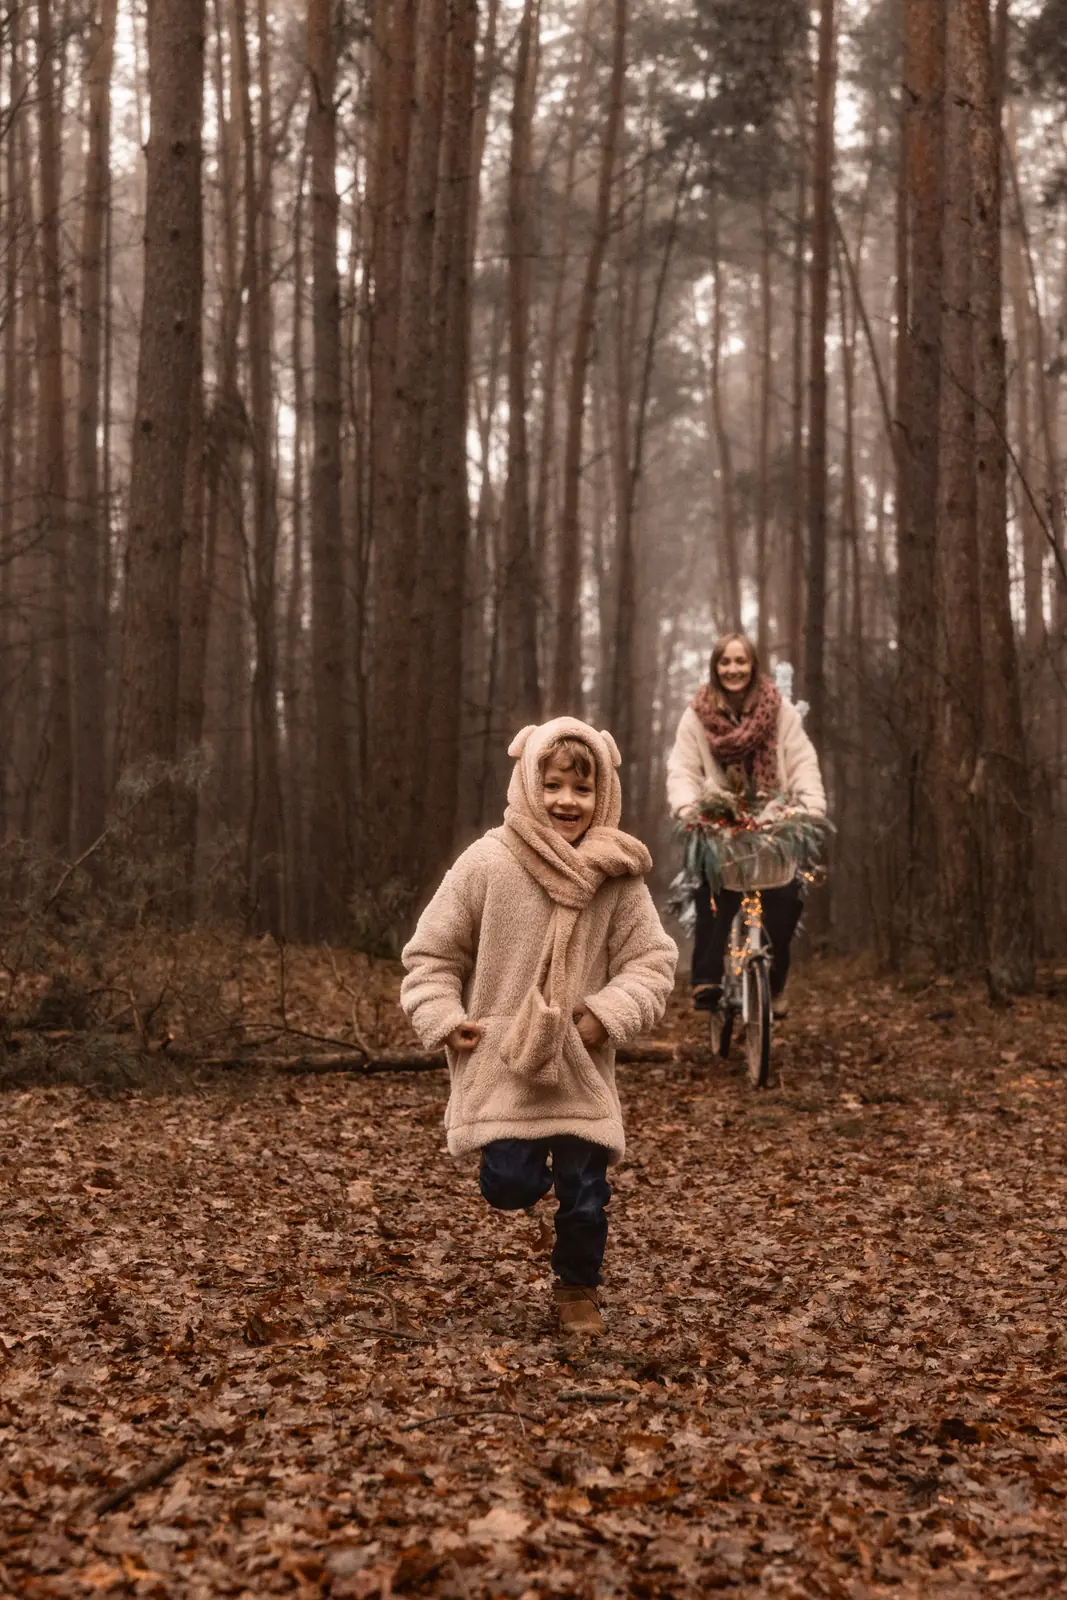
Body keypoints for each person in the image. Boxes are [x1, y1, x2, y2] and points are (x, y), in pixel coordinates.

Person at [401, 717, 677, 1337]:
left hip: (579, 1060)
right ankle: (525, 1170)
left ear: (602, 792)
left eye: (581, 790)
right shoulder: (487, 863)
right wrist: (444, 1017)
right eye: (552, 785)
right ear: (529, 781)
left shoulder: (618, 878)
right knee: (508, 1185)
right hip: (506, 1059)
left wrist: (607, 1015)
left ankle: (577, 1288)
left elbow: (653, 962)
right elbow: (431, 953)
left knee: (585, 1191)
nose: (565, 801)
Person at [666, 632, 826, 1020]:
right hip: (719, 821)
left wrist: (811, 804)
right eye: (725, 662)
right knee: (713, 894)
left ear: (752, 666)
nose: (733, 669)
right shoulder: (697, 714)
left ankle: (774, 983)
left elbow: (801, 760)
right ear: (715, 667)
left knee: (785, 900)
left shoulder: (780, 711)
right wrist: (688, 806)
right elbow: (684, 769)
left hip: (774, 818)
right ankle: (707, 980)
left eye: (741, 661)